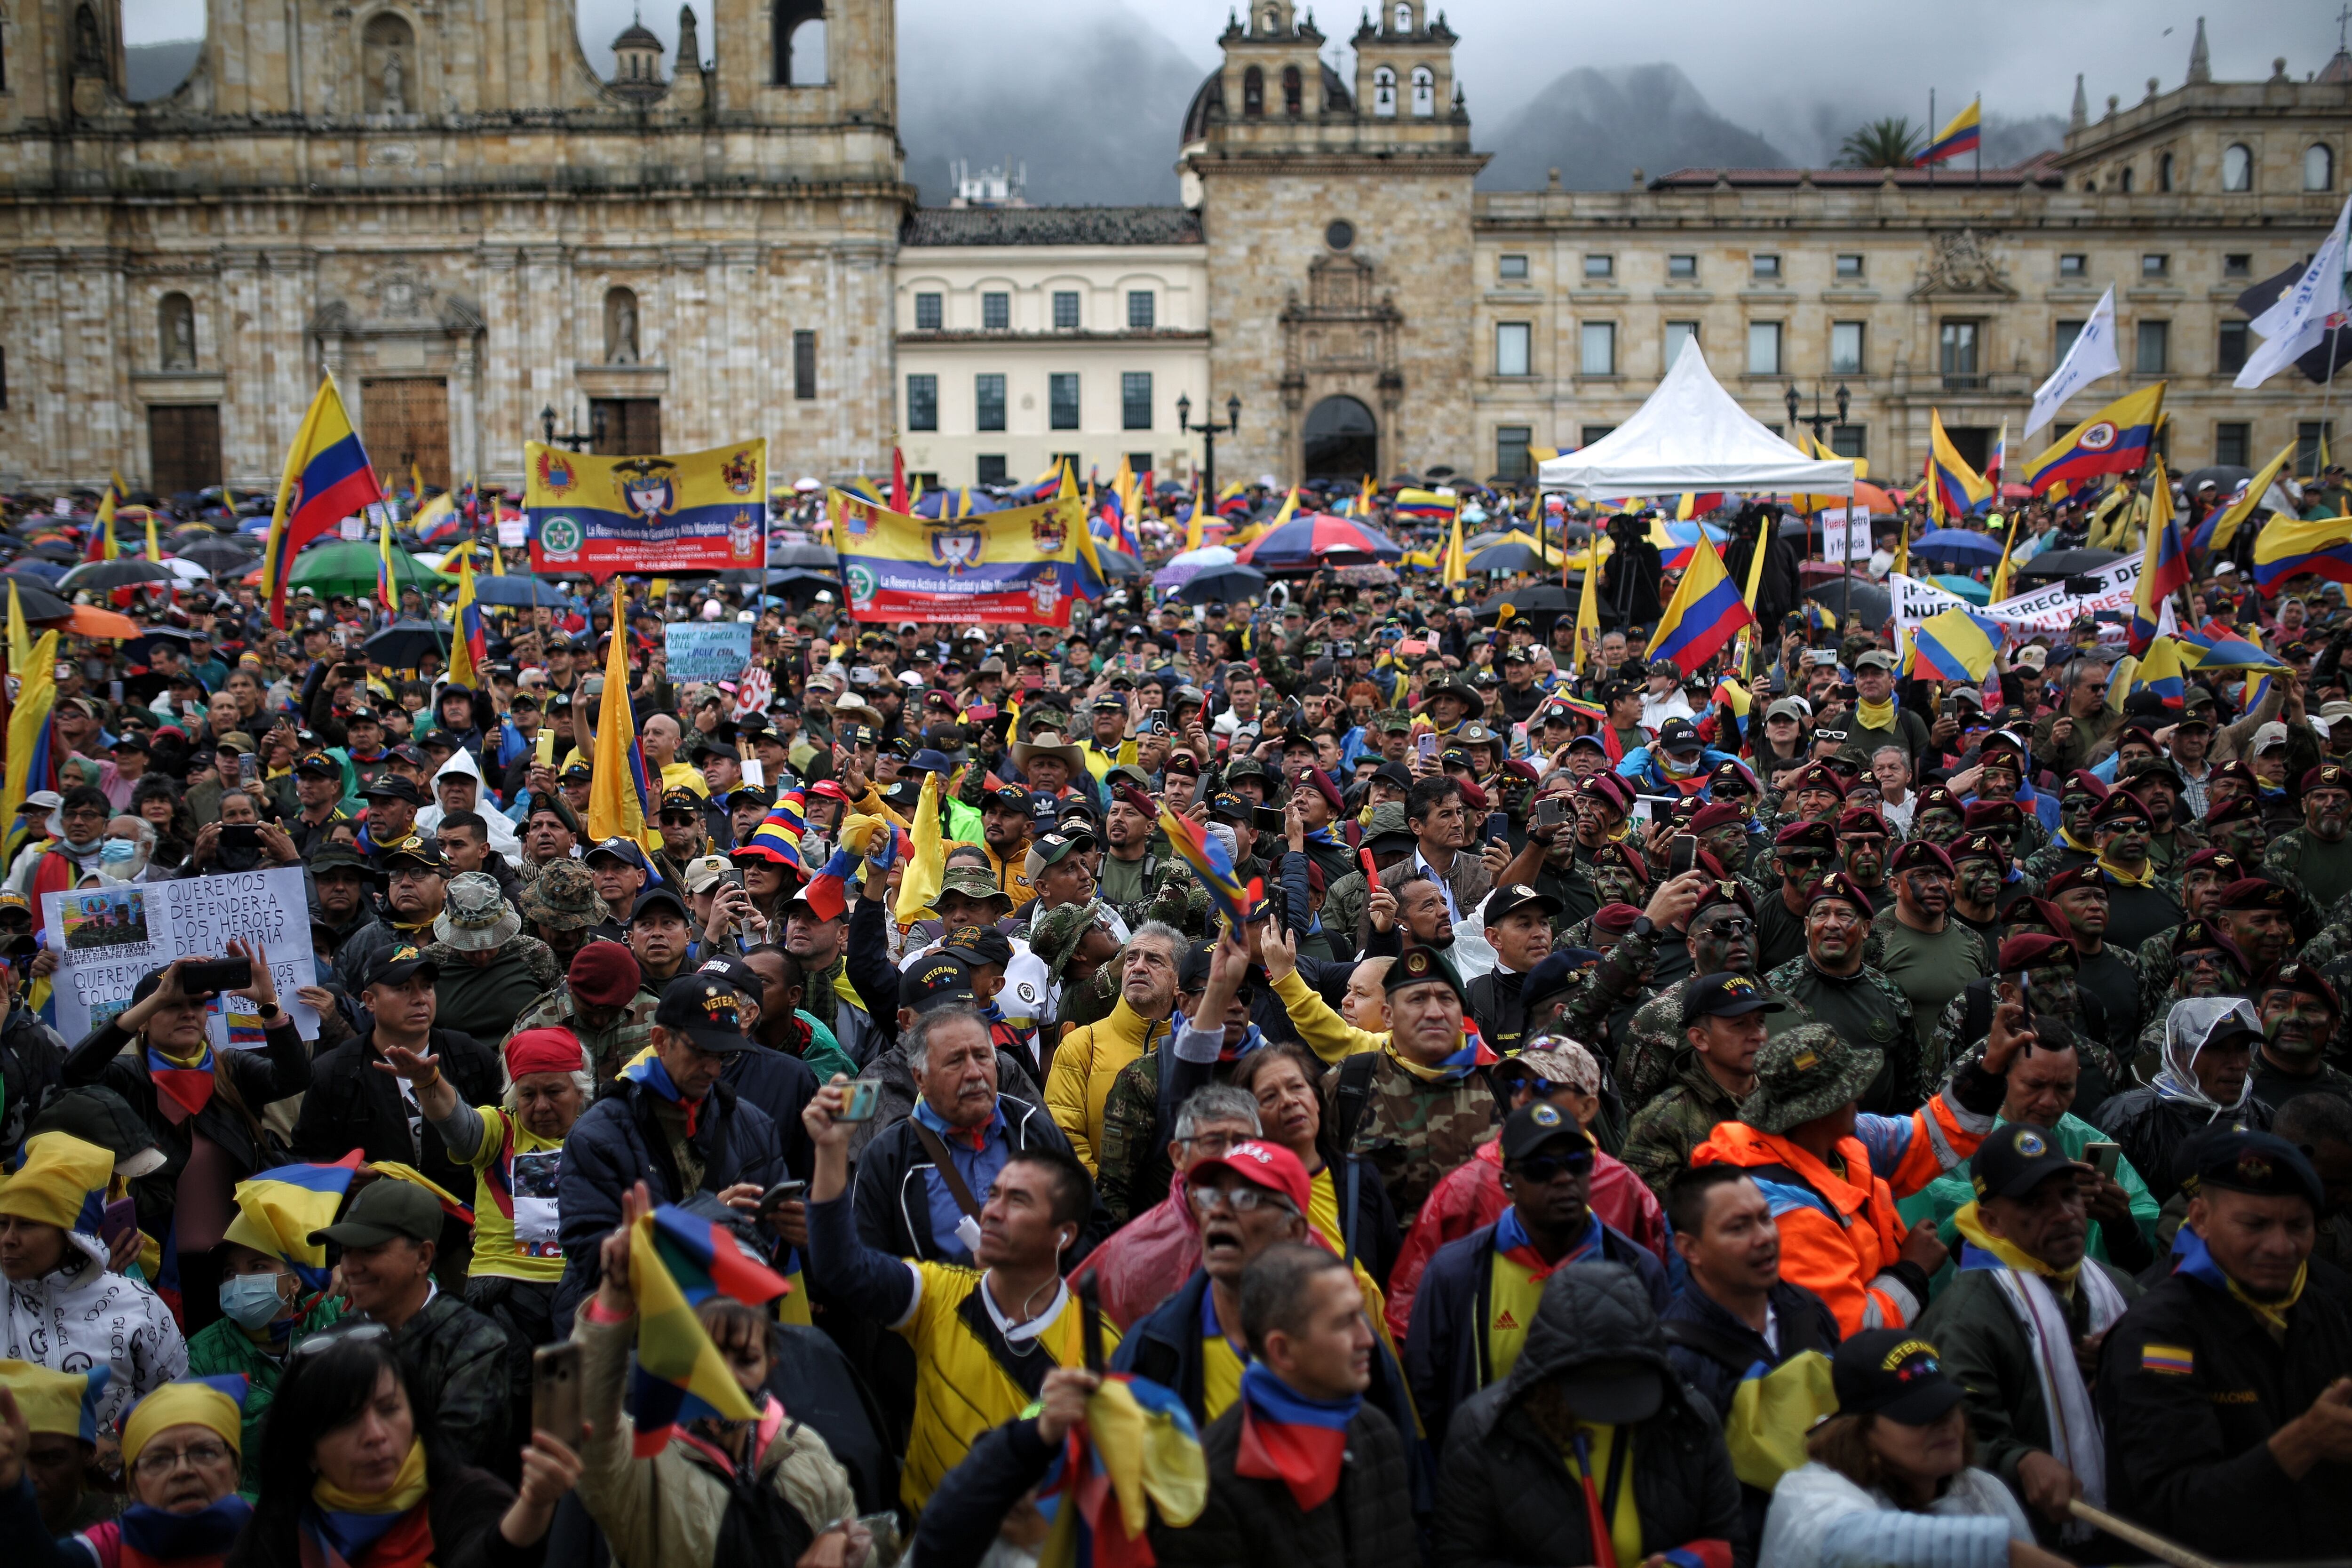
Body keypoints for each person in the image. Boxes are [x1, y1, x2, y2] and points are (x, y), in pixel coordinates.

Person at [800, 1072, 1112, 1510]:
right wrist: (830, 1153)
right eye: (995, 1194)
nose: (993, 1211)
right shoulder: (937, 1295)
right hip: (933, 1532)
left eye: (1018, 1200)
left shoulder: (1102, 1342)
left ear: (1064, 1235)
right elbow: (844, 1268)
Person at [570, 1182, 868, 1568]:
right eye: (708, 1356)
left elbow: (872, 1546)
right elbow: (586, 1422)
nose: (727, 1376)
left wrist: (846, 1544)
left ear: (770, 1364)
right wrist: (614, 1294)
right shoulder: (642, 1462)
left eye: (745, 1359)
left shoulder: (808, 1455)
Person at [2096, 1129, 2352, 1560]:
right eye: (2254, 1224)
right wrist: (2304, 1441)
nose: (2281, 1246)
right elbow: (2172, 1509)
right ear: (2200, 1218)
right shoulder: (2159, 1333)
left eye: (2298, 1225)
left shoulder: (2322, 1311)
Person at [1692, 1016, 2020, 1335]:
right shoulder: (1784, 1216)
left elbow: (1930, 1137)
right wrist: (1913, 1270)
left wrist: (1989, 1068)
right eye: (1849, 1089)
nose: (1860, 1095)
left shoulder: (1842, 1139)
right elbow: (1847, 1331)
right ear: (1818, 1112)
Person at [58, 946, 310, 1332]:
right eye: (171, 1005)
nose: (189, 1013)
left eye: (196, 1004)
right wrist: (155, 997)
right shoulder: (128, 1078)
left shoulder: (231, 1069)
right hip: (160, 1264)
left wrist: (270, 1005)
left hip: (235, 1265)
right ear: (144, 1018)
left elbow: (294, 1077)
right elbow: (76, 1072)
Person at [1431, 1260, 1744, 1568]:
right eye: (1594, 1384)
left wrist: (1682, 1566)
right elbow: (1457, 1557)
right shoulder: (1483, 1432)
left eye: (1627, 1381)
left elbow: (1734, 1548)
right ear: (1548, 1371)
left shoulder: (1690, 1420)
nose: (1614, 1405)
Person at [1915, 1123, 2141, 1548]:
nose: (2064, 1214)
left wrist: (2129, 1359)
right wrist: (2019, 1461)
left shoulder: (2119, 1288)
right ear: (1991, 1221)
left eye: (2070, 1194)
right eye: (2035, 1203)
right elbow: (1959, 1435)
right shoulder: (1966, 1318)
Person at [375, 1026, 591, 1453]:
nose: (541, 1106)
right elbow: (459, 1124)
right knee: (504, 1420)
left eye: (554, 1092)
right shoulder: (501, 1129)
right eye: (528, 1095)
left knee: (566, 1427)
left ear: (580, 1091)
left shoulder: (601, 1136)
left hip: (578, 1292)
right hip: (505, 1292)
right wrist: (428, 1082)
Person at [1404, 1099, 1669, 1446]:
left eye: (1577, 1163)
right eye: (1542, 1168)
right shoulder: (1456, 1272)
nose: (1564, 1179)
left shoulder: (1636, 1267)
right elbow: (1427, 1388)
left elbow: (1665, 1380)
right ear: (1508, 1183)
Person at [224, 1321, 580, 1568]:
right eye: (347, 1420)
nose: (376, 1434)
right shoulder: (278, 1531)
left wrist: (532, 1506)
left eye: (389, 1409)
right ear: (307, 1449)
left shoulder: (463, 1497)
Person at [1151, 1243, 1417, 1568]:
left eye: (1360, 1316)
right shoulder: (1208, 1487)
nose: (1368, 1339)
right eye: (1344, 1323)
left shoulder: (1377, 1433)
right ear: (1282, 1351)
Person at [553, 973, 791, 1321]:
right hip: (634, 1330)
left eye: (724, 1056)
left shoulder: (753, 1125)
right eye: (701, 1052)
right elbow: (592, 1256)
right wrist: (702, 1219)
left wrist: (799, 1232)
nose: (713, 1070)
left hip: (731, 1325)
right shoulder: (599, 1134)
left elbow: (769, 1243)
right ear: (661, 1040)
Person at [1759, 1329, 2055, 1568]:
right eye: (1920, 1413)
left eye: (1949, 1406)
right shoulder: (1809, 1490)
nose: (1945, 1424)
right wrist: (1999, 1551)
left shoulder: (1984, 1489)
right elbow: (1843, 1541)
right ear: (1859, 1432)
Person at [292, 947, 498, 1274]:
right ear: (370, 1001)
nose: (420, 999)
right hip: (375, 1241)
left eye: (427, 987)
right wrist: (341, 1174)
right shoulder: (336, 1071)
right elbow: (307, 1158)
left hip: (465, 1238)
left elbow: (505, 1149)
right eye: (403, 988)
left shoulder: (472, 1057)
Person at [1903, 1032, 2161, 1278]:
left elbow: (2143, 1255)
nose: (2050, 1101)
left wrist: (2120, 1224)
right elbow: (1933, 1214)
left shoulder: (2086, 1139)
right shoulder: (1957, 1139)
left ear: (2078, 1077)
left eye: (2064, 1087)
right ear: (2005, 1073)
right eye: (2035, 1085)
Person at [309, 1178, 514, 1473]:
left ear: (423, 1257)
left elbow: (453, 1462)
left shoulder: (475, 1343)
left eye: (370, 1251)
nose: (351, 1267)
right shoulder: (326, 1347)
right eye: (346, 1251)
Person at [0, 1131, 187, 1430]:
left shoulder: (138, 1305)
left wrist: (116, 1448)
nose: (8, 1239)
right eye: (2, 1223)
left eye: (27, 1224)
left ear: (70, 1235)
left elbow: (175, 1410)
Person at [183, 1173, 352, 1493]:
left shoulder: (337, 1311)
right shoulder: (200, 1355)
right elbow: (202, 1460)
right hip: (256, 1510)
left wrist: (365, 1275)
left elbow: (417, 1301)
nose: (240, 1281)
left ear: (295, 1281)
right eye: (230, 1272)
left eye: (258, 1267)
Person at [0, 1374, 250, 1568]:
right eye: (159, 1460)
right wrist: (13, 1489)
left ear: (236, 1470)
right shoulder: (112, 1547)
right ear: (132, 1486)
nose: (183, 1471)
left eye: (204, 1452)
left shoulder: (267, 1532)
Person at [2093, 996, 2273, 1206]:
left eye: (2242, 1049)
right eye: (2219, 1049)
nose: (2237, 1064)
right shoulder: (2129, 1119)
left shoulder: (2262, 1117)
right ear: (2181, 1055)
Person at [1623, 971, 1788, 1197]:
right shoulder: (1664, 1122)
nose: (1757, 1035)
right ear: (1700, 1039)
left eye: (1760, 1022)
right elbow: (1653, 1211)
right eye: (1739, 1025)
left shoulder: (1785, 1099)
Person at [1043, 922, 1182, 1172]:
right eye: (1131, 958)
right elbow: (1063, 1139)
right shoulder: (1081, 1046)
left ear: (1179, 981)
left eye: (1155, 960)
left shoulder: (1200, 1046)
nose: (1138, 967)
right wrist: (1103, 1194)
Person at [421, 874, 561, 1045]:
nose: (482, 955)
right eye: (469, 945)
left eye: (491, 943)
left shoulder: (535, 955)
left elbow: (559, 1016)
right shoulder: (431, 963)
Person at [0, 1361, 114, 1539]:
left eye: (49, 1459)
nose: (27, 1476)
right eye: (6, 1459)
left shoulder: (126, 1533)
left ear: (87, 1453)